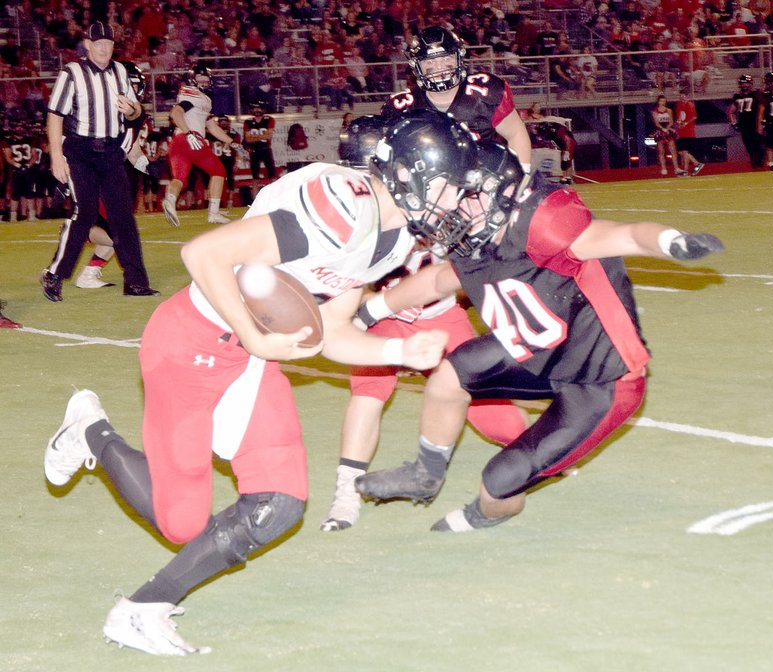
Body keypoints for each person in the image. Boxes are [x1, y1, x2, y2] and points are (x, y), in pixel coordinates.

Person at [42, 112, 467, 656]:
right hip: (191, 344)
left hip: (249, 360)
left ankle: (141, 609)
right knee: (183, 523)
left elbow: (330, 332)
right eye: (451, 185)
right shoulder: (342, 205)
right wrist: (255, 337)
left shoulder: (387, 240)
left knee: (280, 503)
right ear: (413, 174)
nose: (456, 201)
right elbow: (204, 253)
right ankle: (90, 432)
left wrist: (397, 350)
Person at [354, 115, 725, 532]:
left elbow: (625, 235)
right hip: (535, 354)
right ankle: (426, 474)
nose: (460, 208)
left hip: (600, 380)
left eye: (471, 198)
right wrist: (371, 311)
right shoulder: (472, 233)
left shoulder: (544, 225)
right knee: (448, 377)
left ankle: (485, 513)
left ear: (500, 194)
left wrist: (670, 241)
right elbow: (440, 279)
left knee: (499, 485)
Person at [320, 115, 529, 532]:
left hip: (440, 314)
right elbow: (335, 286)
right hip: (382, 315)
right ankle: (346, 490)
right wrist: (374, 302)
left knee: (497, 415)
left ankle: (541, 453)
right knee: (369, 392)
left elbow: (465, 265)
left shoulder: (437, 192)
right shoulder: (355, 216)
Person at [40, 21, 158, 302]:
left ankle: (136, 282)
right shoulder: (72, 73)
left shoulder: (120, 71)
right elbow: (55, 115)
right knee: (85, 213)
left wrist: (132, 109)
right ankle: (55, 274)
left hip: (111, 151)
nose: (105, 48)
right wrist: (56, 156)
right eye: (99, 44)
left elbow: (135, 113)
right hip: (80, 150)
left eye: (109, 44)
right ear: (88, 45)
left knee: (123, 218)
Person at [380, 26, 532, 170]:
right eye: (430, 61)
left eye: (446, 58)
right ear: (416, 66)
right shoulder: (401, 106)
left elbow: (516, 134)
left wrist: (518, 181)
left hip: (481, 185)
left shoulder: (485, 91)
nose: (439, 67)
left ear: (459, 57)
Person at [74, 61, 162, 290]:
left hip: (114, 180)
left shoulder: (133, 116)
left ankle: (89, 273)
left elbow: (132, 150)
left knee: (118, 234)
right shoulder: (103, 113)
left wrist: (148, 166)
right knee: (119, 235)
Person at [162, 64, 242, 227]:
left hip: (177, 142)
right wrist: (189, 133)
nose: (204, 82)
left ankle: (170, 200)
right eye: (201, 79)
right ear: (193, 79)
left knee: (180, 179)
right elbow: (176, 113)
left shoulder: (203, 99)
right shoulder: (195, 95)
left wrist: (231, 142)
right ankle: (213, 213)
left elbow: (212, 127)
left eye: (206, 79)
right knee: (218, 171)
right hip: (192, 139)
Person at [728, 74, 764, 170]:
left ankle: (759, 163)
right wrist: (734, 123)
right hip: (744, 124)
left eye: (747, 83)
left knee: (759, 145)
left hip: (755, 123)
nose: (745, 85)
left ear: (751, 84)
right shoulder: (737, 96)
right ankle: (755, 165)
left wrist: (762, 122)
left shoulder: (756, 94)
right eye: (743, 83)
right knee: (749, 146)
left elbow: (762, 107)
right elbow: (731, 111)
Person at [242, 102, 276, 192]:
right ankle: (254, 200)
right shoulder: (248, 121)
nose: (257, 110)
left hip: (266, 150)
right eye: (255, 108)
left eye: (259, 108)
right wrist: (262, 136)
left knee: (272, 175)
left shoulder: (269, 119)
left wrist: (254, 137)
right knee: (255, 177)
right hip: (254, 151)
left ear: (263, 109)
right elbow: (248, 139)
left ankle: (275, 196)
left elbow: (268, 136)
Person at [650, 95, 684, 177]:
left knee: (673, 150)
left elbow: (671, 121)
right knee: (661, 151)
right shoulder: (654, 111)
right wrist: (662, 129)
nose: (663, 103)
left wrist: (667, 129)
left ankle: (676, 168)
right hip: (659, 131)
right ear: (658, 102)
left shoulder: (669, 110)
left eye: (664, 101)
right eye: (661, 101)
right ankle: (663, 168)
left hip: (668, 130)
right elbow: (656, 123)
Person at [674, 89, 704, 176]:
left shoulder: (690, 104)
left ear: (687, 97)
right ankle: (695, 164)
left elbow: (694, 116)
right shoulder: (679, 104)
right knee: (683, 152)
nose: (682, 98)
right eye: (681, 96)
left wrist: (686, 123)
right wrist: (679, 123)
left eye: (684, 96)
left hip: (689, 132)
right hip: (681, 131)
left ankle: (689, 169)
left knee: (684, 152)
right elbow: (679, 116)